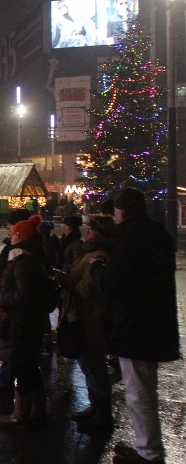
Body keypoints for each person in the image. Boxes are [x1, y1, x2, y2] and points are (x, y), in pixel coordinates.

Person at [95, 188, 179, 463]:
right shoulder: (154, 235)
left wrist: (99, 271)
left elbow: (117, 284)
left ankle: (148, 452)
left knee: (139, 392)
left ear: (121, 211)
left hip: (137, 326)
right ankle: (145, 445)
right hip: (151, 324)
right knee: (143, 388)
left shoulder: (132, 240)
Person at [53, 214, 116, 433]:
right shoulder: (89, 253)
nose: (87, 233)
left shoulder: (98, 256)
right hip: (84, 318)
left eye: (91, 230)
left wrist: (65, 281)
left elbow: (87, 289)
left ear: (100, 234)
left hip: (91, 319)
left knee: (94, 366)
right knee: (88, 365)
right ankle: (95, 407)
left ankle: (102, 414)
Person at [0, 217, 52, 428]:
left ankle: (21, 415)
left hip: (21, 323)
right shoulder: (32, 256)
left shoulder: (23, 261)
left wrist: (3, 299)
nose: (10, 235)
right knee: (30, 366)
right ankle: (37, 410)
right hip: (29, 321)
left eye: (13, 233)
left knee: (22, 367)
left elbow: (25, 295)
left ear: (20, 236)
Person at [0, 208, 30, 398]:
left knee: (9, 342)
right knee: (10, 343)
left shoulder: (19, 253)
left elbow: (16, 281)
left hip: (11, 306)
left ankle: (6, 385)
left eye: (11, 225)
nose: (7, 228)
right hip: (10, 302)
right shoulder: (21, 249)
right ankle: (5, 381)